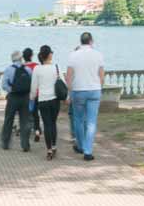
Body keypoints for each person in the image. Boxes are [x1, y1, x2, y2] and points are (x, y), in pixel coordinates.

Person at [66, 32, 104, 161]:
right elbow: (101, 75)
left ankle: (81, 146)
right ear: (91, 41)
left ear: (80, 41)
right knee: (91, 121)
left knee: (78, 119)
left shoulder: (73, 55)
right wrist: (100, 88)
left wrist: (70, 92)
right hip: (94, 90)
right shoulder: (98, 55)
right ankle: (88, 151)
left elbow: (69, 76)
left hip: (78, 90)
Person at [30, 45, 64, 160]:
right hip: (54, 100)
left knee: (46, 124)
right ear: (49, 55)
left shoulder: (37, 69)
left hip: (42, 100)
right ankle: (54, 146)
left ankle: (49, 149)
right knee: (53, 123)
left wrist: (32, 97)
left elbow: (34, 87)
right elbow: (63, 83)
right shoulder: (56, 67)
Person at [1, 50, 32, 151]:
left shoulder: (8, 70)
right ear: (21, 58)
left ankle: (5, 143)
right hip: (25, 97)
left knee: (9, 119)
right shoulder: (27, 69)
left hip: (13, 97)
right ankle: (25, 144)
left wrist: (12, 90)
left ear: (12, 59)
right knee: (25, 121)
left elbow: (4, 85)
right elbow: (31, 83)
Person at [22, 47, 41, 143]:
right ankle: (37, 130)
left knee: (25, 113)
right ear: (32, 56)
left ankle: (26, 130)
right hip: (37, 93)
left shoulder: (21, 67)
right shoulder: (37, 66)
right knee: (35, 113)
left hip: (25, 94)